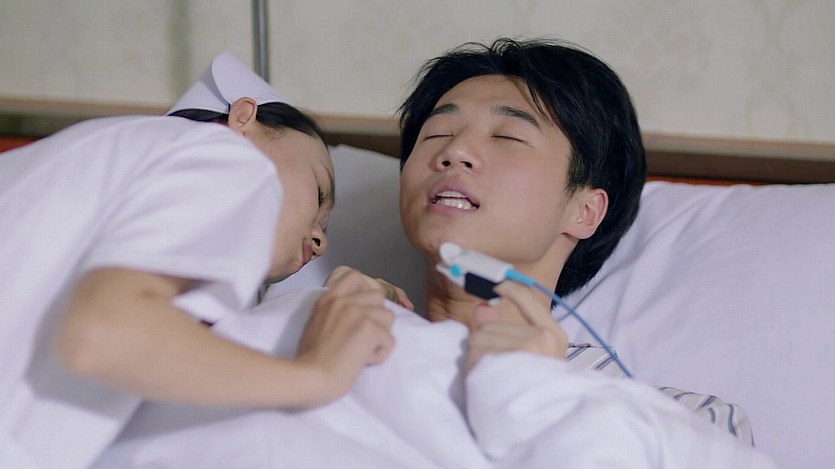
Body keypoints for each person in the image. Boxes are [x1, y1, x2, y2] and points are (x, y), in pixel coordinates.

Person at [0, 53, 395, 469]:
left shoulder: (116, 164)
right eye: (318, 192)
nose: (319, 240)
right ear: (243, 118)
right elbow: (102, 334)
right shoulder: (226, 156)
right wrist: (318, 375)